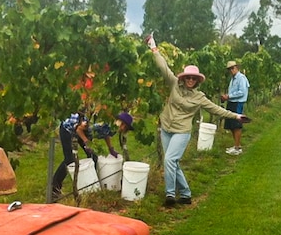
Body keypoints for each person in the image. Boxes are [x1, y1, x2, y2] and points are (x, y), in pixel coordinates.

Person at [146, 33, 251, 206]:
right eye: (188, 77)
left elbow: (216, 109)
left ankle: (170, 195)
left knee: (170, 160)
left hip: (182, 131)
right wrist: (153, 47)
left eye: (193, 78)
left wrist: (236, 116)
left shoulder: (200, 97)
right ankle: (186, 194)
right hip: (166, 127)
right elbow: (163, 66)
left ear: (197, 81)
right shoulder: (174, 84)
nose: (190, 80)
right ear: (183, 77)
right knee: (172, 161)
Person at [51, 110, 134, 198]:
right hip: (68, 129)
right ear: (119, 121)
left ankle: (90, 184)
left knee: (93, 157)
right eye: (123, 125)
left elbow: (106, 134)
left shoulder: (113, 127)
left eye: (125, 127)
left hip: (82, 133)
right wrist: (86, 142)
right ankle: (54, 188)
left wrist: (111, 149)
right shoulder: (102, 121)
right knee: (69, 159)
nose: (123, 128)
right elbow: (79, 128)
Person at [221, 60, 249, 155]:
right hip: (232, 102)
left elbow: (242, 92)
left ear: (237, 67)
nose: (231, 70)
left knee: (237, 125)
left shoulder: (241, 78)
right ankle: (237, 145)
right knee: (232, 125)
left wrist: (229, 96)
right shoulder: (233, 79)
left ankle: (237, 148)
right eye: (229, 69)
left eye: (233, 68)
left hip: (237, 103)